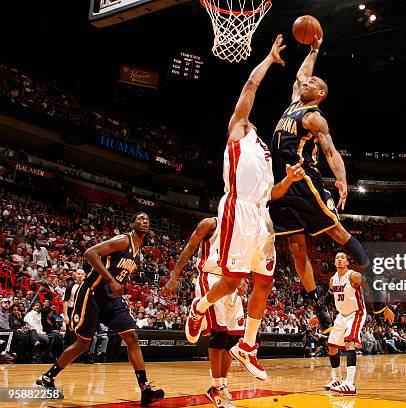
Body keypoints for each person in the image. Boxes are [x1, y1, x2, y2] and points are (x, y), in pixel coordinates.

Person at [183, 35, 304, 382]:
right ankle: (199, 307)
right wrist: (268, 60)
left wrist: (290, 181)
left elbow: (272, 193)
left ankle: (248, 346)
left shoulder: (264, 150)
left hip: (261, 214)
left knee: (264, 282)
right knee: (234, 280)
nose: (249, 116)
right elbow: (250, 86)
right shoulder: (236, 131)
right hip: (236, 208)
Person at [268, 34, 394, 333]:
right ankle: (317, 305)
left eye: (312, 84)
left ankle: (374, 285)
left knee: (337, 232)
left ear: (320, 93)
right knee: (297, 249)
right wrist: (314, 49)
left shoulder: (314, 118)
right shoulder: (294, 103)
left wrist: (341, 179)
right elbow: (301, 73)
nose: (306, 83)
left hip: (305, 181)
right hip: (282, 184)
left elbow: (330, 150)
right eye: (306, 83)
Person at [36, 213, 164, 405]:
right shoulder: (123, 240)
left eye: (147, 219)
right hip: (93, 293)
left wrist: (117, 283)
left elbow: (118, 271)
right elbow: (90, 253)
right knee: (83, 345)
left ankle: (145, 389)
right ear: (132, 224)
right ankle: (47, 377)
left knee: (132, 337)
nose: (144, 221)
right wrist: (111, 280)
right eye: (140, 218)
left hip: (111, 300)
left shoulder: (139, 252)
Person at [166, 216, 247, 408]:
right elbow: (190, 247)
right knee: (219, 334)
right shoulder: (210, 224)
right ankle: (215, 387)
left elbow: (241, 259)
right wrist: (174, 275)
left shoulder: (242, 229)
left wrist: (242, 278)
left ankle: (223, 385)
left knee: (233, 339)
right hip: (210, 278)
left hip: (232, 281)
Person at [324, 252, 366, 396]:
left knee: (349, 342)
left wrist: (383, 308)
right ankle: (337, 379)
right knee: (331, 346)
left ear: (347, 262)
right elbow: (329, 298)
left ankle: (349, 383)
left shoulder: (353, 276)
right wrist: (318, 315)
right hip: (341, 315)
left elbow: (372, 287)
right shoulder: (332, 280)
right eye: (337, 258)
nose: (339, 260)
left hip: (356, 313)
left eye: (342, 258)